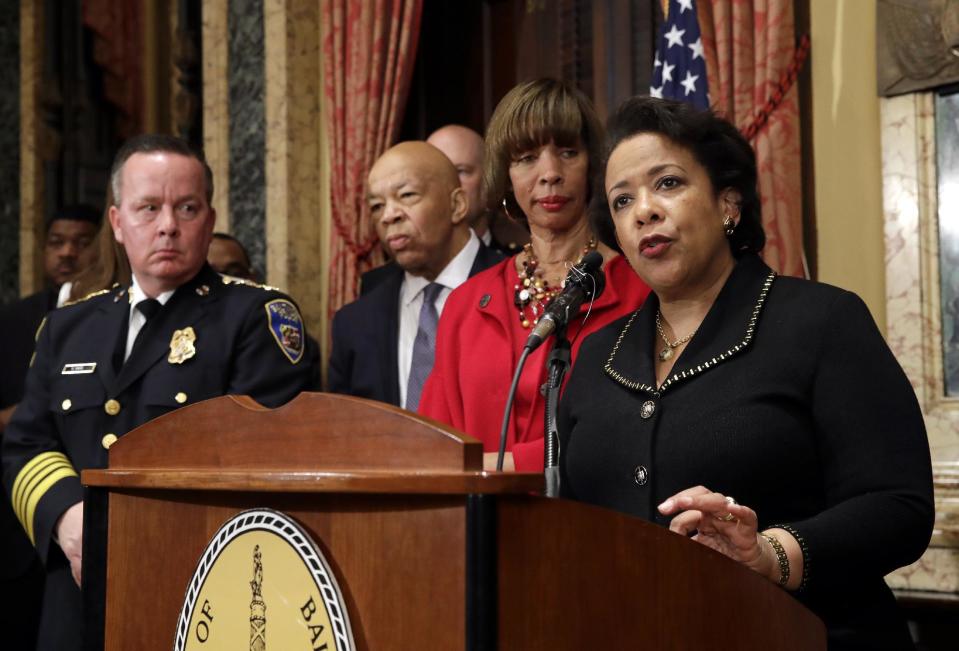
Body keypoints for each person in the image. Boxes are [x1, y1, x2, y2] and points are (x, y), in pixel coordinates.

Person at [558, 96, 933, 649]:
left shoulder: (821, 321)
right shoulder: (596, 356)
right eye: (622, 201)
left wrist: (772, 553)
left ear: (728, 202)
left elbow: (899, 506)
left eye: (667, 184)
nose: (643, 211)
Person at [1, 134, 319, 651]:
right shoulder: (67, 326)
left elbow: (261, 461)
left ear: (209, 219)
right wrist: (70, 519)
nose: (168, 224)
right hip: (73, 603)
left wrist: (129, 533)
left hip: (199, 595)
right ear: (117, 222)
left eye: (186, 207)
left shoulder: (255, 318)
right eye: (148, 207)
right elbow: (25, 445)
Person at [418, 78, 651, 472]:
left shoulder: (641, 291)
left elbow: (632, 433)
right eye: (526, 158)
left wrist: (500, 467)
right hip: (479, 526)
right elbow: (432, 447)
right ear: (505, 176)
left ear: (594, 165)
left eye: (567, 152)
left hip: (600, 525)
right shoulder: (465, 303)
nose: (550, 173)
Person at [328, 141, 502, 408]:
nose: (389, 215)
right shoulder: (354, 324)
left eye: (407, 195)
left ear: (456, 205)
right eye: (376, 206)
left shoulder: (515, 288)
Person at [0, 204, 98, 651]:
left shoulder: (110, 318)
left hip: (86, 532)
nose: (67, 253)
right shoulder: (15, 320)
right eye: (56, 242)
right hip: (16, 522)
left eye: (81, 242)